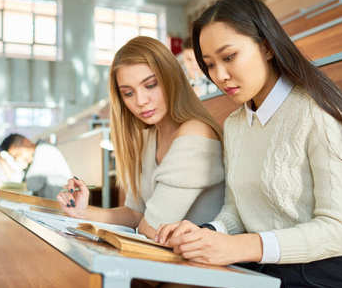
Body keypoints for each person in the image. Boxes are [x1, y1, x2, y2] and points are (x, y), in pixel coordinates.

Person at [156, 0, 342, 288]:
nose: (220, 76)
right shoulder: (235, 125)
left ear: (266, 46)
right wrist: (207, 231)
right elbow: (238, 211)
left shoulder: (317, 113)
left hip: (325, 273)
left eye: (228, 57)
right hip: (264, 266)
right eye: (210, 64)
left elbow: (338, 231)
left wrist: (241, 247)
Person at [56, 36, 225, 240]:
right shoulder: (148, 137)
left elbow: (151, 228)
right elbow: (135, 214)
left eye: (151, 85)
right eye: (128, 93)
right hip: (172, 259)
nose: (141, 101)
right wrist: (82, 212)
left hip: (205, 265)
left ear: (171, 78)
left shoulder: (195, 134)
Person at [0, 134, 72, 200]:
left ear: (26, 141)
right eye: (15, 158)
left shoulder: (44, 151)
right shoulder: (36, 156)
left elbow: (28, 186)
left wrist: (1, 161)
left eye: (18, 154)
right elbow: (19, 181)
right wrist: (0, 160)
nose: (19, 159)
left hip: (60, 209)